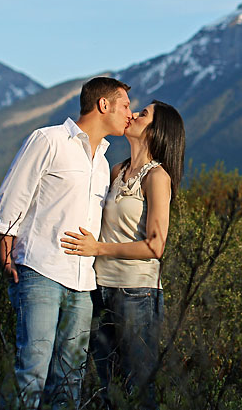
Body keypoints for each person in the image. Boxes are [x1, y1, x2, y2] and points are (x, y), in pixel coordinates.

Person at [0, 76, 132, 410]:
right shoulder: (49, 140)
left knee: (69, 378)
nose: (130, 113)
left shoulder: (101, 163)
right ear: (103, 105)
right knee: (32, 370)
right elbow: (13, 196)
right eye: (125, 105)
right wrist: (7, 252)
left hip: (82, 285)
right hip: (40, 271)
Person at [60, 100, 185, 410]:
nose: (132, 115)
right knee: (105, 385)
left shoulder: (158, 177)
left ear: (156, 131)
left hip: (137, 293)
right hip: (101, 290)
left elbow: (156, 246)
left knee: (138, 388)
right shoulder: (117, 170)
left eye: (143, 114)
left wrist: (99, 248)